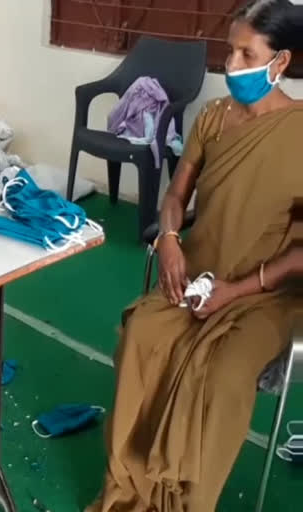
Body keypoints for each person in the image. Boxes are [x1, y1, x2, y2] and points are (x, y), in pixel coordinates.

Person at [87, 1, 303, 511]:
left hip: (267, 291)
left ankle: (187, 500)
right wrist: (167, 239)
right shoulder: (212, 118)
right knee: (142, 332)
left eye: (246, 53)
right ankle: (128, 487)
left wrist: (240, 288)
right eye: (229, 50)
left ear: (281, 63)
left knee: (224, 373)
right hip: (198, 273)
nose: (230, 64)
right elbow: (175, 196)